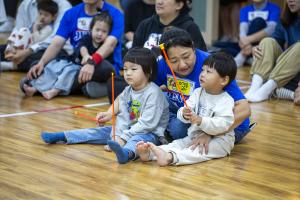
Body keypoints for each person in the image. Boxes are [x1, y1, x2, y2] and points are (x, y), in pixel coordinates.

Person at [40, 48, 169, 165]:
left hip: (150, 134)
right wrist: (112, 123)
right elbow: (122, 110)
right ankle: (63, 136)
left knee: (138, 141)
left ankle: (126, 154)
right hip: (128, 129)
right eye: (125, 69)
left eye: (133, 69)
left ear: (149, 71)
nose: (128, 73)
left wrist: (122, 138)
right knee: (96, 132)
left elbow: (147, 124)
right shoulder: (129, 89)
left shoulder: (154, 93)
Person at [136, 52, 237, 166]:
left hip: (220, 141)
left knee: (196, 152)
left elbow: (224, 124)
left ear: (223, 80)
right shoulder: (198, 92)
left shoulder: (226, 100)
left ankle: (170, 157)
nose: (202, 74)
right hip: (195, 135)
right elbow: (185, 108)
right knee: (178, 144)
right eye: (202, 70)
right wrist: (184, 114)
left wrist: (201, 121)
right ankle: (150, 153)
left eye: (208, 72)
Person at [155, 27, 251, 146]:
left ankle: (164, 132)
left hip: (226, 124)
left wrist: (210, 133)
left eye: (186, 57)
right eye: (173, 61)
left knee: (178, 130)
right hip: (189, 114)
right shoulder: (162, 64)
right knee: (157, 96)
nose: (182, 65)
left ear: (193, 48)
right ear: (165, 59)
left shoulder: (212, 65)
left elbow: (244, 109)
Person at [25, 0, 124, 98]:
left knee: (103, 66)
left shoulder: (115, 14)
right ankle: (86, 87)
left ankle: (44, 87)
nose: (99, 33)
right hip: (78, 64)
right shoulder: (71, 13)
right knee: (42, 64)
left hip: (102, 66)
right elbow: (57, 43)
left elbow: (109, 45)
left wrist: (91, 63)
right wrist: (42, 63)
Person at [245, 0, 300, 103]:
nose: (290, 0)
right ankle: (255, 87)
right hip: (284, 74)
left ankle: (267, 89)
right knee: (267, 41)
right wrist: (256, 48)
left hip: (295, 76)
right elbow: (273, 42)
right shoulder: (287, 19)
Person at [0, 0, 72, 72]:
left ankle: (10, 66)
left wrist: (27, 51)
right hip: (29, 45)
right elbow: (18, 28)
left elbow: (55, 39)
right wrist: (11, 46)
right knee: (3, 50)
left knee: (44, 58)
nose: (42, 17)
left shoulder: (63, 5)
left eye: (45, 15)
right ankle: (13, 61)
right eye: (40, 14)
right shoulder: (25, 4)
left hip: (58, 48)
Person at [214, 0, 281, 68]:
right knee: (217, 45)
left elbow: (271, 29)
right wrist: (243, 40)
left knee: (258, 21)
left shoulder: (274, 8)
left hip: (262, 46)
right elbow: (243, 29)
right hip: (248, 45)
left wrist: (247, 40)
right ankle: (250, 57)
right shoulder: (245, 9)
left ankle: (243, 55)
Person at [132, 0, 207, 51]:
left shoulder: (190, 28)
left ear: (179, 5)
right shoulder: (145, 25)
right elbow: (133, 55)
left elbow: (200, 58)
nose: (159, 2)